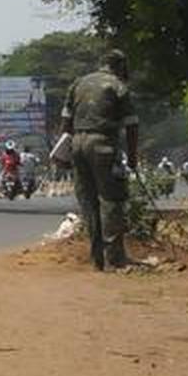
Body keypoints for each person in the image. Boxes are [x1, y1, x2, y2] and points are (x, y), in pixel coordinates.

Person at [60, 49, 139, 271]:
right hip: (103, 145)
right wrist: (132, 158)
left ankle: (97, 259)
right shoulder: (118, 85)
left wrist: (64, 153)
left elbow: (65, 122)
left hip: (77, 144)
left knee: (88, 202)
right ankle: (115, 259)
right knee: (111, 199)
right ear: (121, 66)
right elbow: (132, 124)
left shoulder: (78, 84)